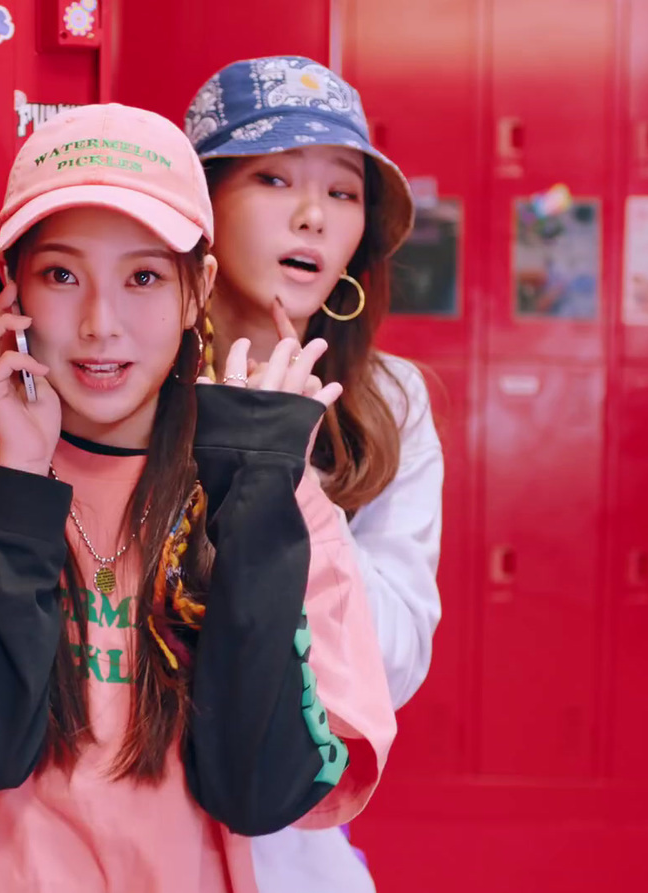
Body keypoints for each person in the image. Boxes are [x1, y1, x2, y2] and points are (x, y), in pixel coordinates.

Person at [0, 103, 395, 893]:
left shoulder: (273, 504)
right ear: (10, 286)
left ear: (196, 289)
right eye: (62, 274)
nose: (101, 324)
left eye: (142, 277)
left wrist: (259, 503)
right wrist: (20, 482)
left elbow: (259, 787)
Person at [184, 57, 444, 892]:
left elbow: (394, 660)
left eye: (342, 192)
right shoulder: (124, 371)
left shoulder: (387, 400)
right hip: (121, 830)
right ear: (203, 203)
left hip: (288, 844)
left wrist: (282, 467)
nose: (313, 217)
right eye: (272, 177)